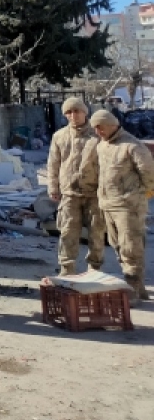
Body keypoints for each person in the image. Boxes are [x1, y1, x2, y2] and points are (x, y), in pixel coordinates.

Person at [90, 109, 154, 301]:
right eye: (95, 128)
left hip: (129, 206)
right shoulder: (102, 146)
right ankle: (139, 288)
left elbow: (148, 172)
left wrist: (144, 193)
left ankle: (134, 288)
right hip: (108, 204)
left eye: (101, 127)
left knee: (131, 248)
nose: (98, 131)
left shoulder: (132, 145)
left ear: (112, 124)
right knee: (117, 246)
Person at [47, 97, 104, 275]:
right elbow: (53, 164)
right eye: (68, 112)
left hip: (95, 193)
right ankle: (67, 268)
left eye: (76, 111)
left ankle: (94, 268)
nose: (73, 115)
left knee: (97, 232)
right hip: (69, 193)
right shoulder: (59, 136)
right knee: (68, 232)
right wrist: (53, 187)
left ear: (85, 112)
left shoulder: (98, 135)